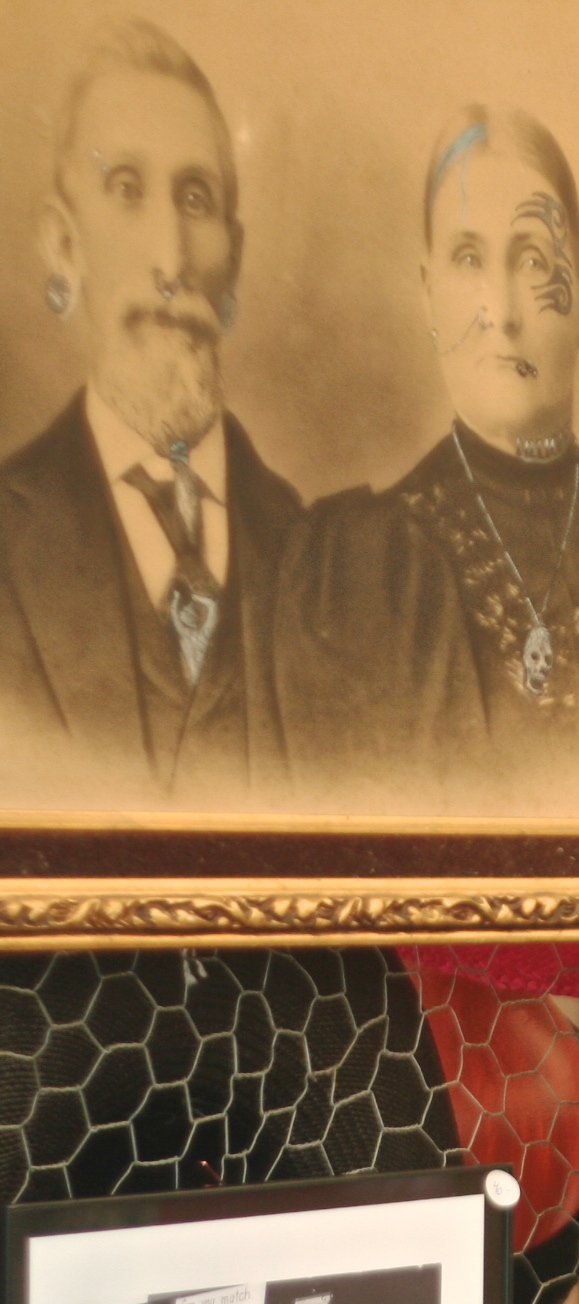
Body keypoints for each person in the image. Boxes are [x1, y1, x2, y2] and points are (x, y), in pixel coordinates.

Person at [281, 106, 579, 815]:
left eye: (533, 260)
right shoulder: (353, 571)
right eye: (468, 259)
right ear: (429, 295)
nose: (500, 312)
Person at [0, 20, 302, 808]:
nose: (171, 260)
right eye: (126, 190)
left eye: (195, 200)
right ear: (64, 247)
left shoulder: (314, 555)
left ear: (233, 258)